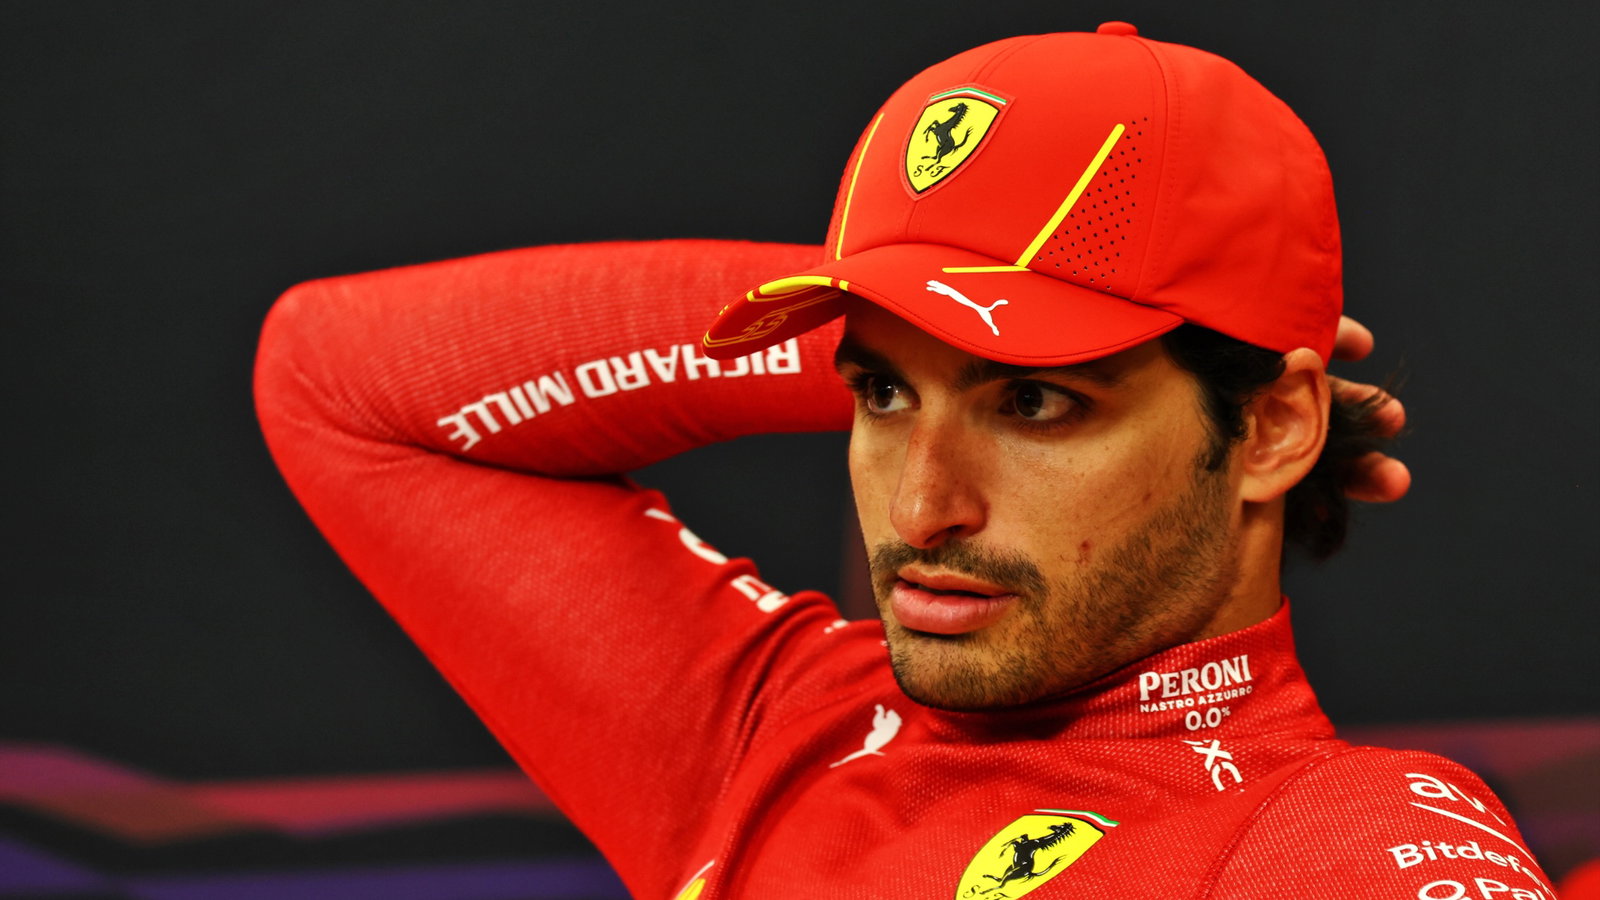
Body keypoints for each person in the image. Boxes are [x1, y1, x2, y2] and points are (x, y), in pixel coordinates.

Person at [255, 23, 1551, 899]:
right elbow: (338, 381)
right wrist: (882, 313)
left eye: (1037, 405)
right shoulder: (782, 727)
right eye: (881, 393)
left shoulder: (1345, 841)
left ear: (1269, 428)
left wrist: (912, 324)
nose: (924, 505)